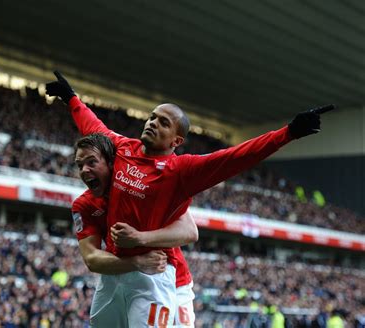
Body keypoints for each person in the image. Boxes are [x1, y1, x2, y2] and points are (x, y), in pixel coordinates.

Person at [47, 71, 333, 327]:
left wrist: (289, 133)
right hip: (114, 271)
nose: (152, 123)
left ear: (176, 141)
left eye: (163, 122)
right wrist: (71, 99)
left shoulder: (181, 171)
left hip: (153, 273)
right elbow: (92, 126)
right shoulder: (123, 148)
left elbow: (237, 157)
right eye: (152, 117)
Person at [72, 133, 197, 327]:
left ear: (112, 163)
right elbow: (91, 258)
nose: (84, 170)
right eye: (80, 165)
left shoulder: (143, 184)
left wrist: (140, 238)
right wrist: (137, 262)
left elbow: (190, 232)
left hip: (170, 278)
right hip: (122, 273)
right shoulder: (85, 205)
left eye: (91, 162)